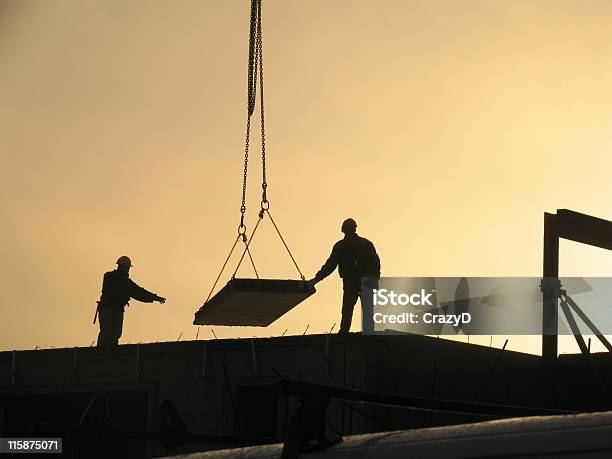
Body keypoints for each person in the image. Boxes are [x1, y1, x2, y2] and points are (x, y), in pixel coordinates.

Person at [309, 218, 380, 334]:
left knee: (347, 309)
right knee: (367, 310)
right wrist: (375, 280)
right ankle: (369, 333)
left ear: (343, 230)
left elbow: (330, 265)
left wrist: (316, 279)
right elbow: (376, 263)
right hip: (366, 281)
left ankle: (344, 333)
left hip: (351, 282)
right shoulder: (366, 244)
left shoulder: (341, 246)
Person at [96, 256, 166, 348]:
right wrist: (155, 298)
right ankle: (101, 354)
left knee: (114, 334)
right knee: (107, 333)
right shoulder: (112, 277)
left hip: (115, 310)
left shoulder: (117, 279)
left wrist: (154, 297)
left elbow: (138, 292)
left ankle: (110, 354)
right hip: (108, 310)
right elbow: (138, 292)